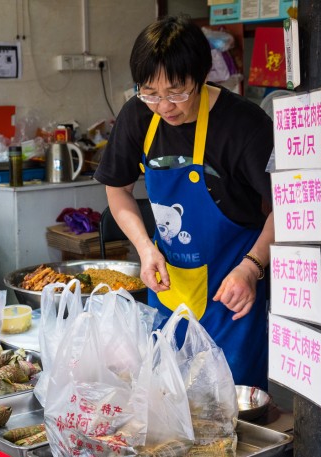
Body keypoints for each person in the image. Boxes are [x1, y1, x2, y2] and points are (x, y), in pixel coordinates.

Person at [93, 14, 274, 389]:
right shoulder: (138, 115)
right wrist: (144, 248)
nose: (164, 105)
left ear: (203, 75)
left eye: (177, 91)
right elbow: (118, 190)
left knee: (230, 407)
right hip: (170, 289)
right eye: (150, 92)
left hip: (233, 294)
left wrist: (252, 267)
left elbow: (286, 210)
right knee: (169, 398)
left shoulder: (244, 126)